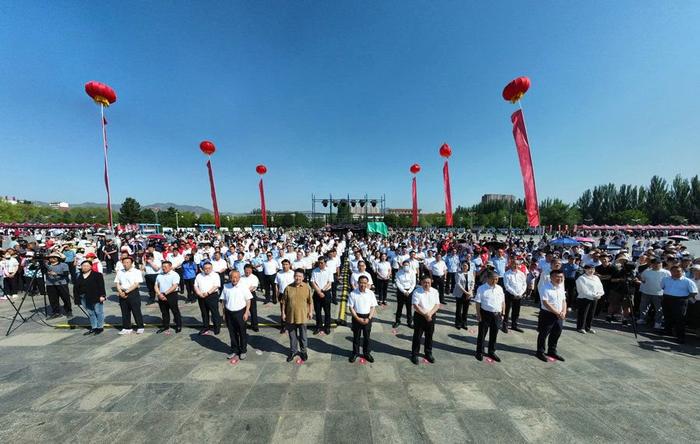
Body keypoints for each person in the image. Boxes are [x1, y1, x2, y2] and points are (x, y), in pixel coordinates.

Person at [280, 269, 313, 362]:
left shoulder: (307, 287)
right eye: (296, 276)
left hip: (302, 316)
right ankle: (293, 351)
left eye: (300, 276)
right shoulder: (288, 288)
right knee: (292, 335)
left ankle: (303, 351)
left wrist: (310, 312)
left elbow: (310, 302)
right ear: (294, 276)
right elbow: (284, 302)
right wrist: (283, 313)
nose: (297, 278)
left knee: (303, 335)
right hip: (290, 316)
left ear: (303, 277)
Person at [220, 270, 253, 360]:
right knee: (232, 333)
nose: (234, 279)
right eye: (232, 277)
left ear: (239, 278)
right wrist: (223, 313)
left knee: (242, 332)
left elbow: (248, 300)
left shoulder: (243, 287)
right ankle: (234, 350)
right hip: (229, 313)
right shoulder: (226, 286)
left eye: (236, 277)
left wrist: (246, 312)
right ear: (230, 278)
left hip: (240, 312)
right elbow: (223, 301)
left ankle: (243, 350)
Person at [660, 265, 698, 344]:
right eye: (674, 271)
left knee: (680, 319)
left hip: (680, 300)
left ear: (682, 272)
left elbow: (694, 292)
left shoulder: (688, 281)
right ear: (671, 272)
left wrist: (684, 298)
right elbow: (663, 287)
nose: (676, 273)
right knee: (667, 316)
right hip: (667, 299)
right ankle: (668, 331)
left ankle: (680, 336)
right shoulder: (665, 279)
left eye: (678, 271)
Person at [536, 269, 567, 362]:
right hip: (548, 314)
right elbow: (545, 303)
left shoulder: (561, 287)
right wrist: (557, 313)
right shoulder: (545, 287)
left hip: (559, 315)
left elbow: (563, 301)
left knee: (556, 333)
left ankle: (552, 351)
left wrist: (564, 312)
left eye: (561, 277)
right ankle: (540, 352)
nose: (560, 279)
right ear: (551, 277)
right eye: (557, 277)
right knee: (544, 333)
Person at [474, 271, 505, 362]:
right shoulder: (482, 288)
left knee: (494, 334)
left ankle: (491, 351)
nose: (495, 281)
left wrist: (503, 313)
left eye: (497, 279)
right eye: (493, 279)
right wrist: (478, 314)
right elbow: (478, 302)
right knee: (482, 334)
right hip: (485, 314)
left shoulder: (499, 288)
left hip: (497, 314)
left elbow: (503, 301)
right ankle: (480, 352)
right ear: (488, 278)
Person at [347, 275, 378, 363]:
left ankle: (366, 353)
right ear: (358, 283)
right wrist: (357, 318)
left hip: (367, 316)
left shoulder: (370, 293)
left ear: (367, 284)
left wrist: (369, 318)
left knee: (367, 337)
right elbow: (351, 308)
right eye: (361, 283)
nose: (363, 285)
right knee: (356, 336)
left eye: (365, 283)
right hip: (357, 317)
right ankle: (355, 353)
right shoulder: (353, 293)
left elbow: (373, 307)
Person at [410, 276, 440, 365]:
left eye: (428, 282)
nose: (427, 284)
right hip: (420, 316)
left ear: (431, 283)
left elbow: (437, 305)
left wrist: (430, 314)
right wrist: (425, 314)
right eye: (425, 282)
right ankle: (414, 354)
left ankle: (428, 353)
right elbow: (415, 306)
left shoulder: (435, 291)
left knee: (429, 336)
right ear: (421, 282)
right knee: (417, 336)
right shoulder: (417, 291)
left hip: (431, 316)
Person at [73, 260, 106, 335]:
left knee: (98, 312)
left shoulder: (97, 275)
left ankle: (100, 327)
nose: (85, 267)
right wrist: (77, 299)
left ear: (91, 266)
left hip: (96, 296)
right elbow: (75, 288)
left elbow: (101, 286)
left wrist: (102, 295)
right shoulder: (78, 275)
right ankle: (94, 327)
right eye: (83, 266)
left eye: (87, 266)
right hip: (84, 297)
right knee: (91, 313)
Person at [114, 256, 145, 335]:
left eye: (127, 262)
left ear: (132, 263)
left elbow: (136, 284)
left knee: (136, 310)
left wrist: (126, 292)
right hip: (122, 292)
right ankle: (127, 327)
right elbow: (117, 283)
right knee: (124, 311)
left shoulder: (136, 271)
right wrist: (120, 292)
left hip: (132, 292)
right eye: (124, 262)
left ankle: (140, 327)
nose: (125, 264)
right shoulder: (120, 272)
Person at [638, 257, 669, 330]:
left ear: (661, 264)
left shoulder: (666, 272)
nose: (656, 265)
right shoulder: (646, 271)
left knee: (659, 309)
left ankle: (658, 322)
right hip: (646, 292)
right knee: (643, 307)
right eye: (654, 263)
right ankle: (642, 319)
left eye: (658, 263)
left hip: (659, 294)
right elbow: (643, 280)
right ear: (651, 264)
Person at [194, 261, 222, 335]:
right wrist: (199, 293)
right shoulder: (199, 275)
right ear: (203, 268)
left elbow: (216, 285)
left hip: (212, 295)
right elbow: (195, 286)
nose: (207, 270)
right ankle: (206, 327)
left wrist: (208, 293)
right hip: (201, 296)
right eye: (205, 268)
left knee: (214, 312)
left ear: (212, 268)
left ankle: (217, 327)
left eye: (209, 268)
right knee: (204, 313)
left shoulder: (215, 275)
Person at [575, 264, 604, 334]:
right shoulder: (581, 278)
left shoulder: (596, 277)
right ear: (585, 269)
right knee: (583, 313)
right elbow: (584, 290)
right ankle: (580, 327)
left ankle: (588, 327)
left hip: (595, 298)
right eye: (589, 269)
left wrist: (600, 294)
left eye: (593, 269)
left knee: (591, 313)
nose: (591, 271)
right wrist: (594, 295)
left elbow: (600, 287)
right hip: (584, 298)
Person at [155, 260, 182, 333]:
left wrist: (165, 293)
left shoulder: (175, 274)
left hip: (171, 294)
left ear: (170, 267)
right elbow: (156, 286)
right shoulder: (159, 275)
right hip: (161, 295)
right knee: (164, 312)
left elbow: (175, 286)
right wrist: (159, 294)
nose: (163, 268)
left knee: (175, 311)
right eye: (163, 266)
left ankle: (178, 325)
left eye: (165, 267)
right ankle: (165, 326)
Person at [45, 252, 73, 318]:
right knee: (53, 299)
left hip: (61, 283)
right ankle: (56, 312)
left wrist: (56, 274)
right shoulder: (46, 265)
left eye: (53, 257)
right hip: (50, 284)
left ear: (58, 258)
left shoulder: (63, 265)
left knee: (65, 298)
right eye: (50, 258)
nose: (51, 259)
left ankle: (68, 311)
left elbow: (66, 274)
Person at [310, 257, 333, 335]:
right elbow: (313, 282)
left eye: (322, 263)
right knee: (318, 312)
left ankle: (327, 327)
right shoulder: (314, 271)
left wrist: (322, 290)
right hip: (317, 293)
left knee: (327, 312)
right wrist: (319, 291)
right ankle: (318, 326)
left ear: (325, 263)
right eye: (319, 263)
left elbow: (330, 282)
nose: (320, 264)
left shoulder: (329, 271)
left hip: (326, 293)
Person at [502, 259, 527, 333]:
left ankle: (514, 325)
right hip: (510, 295)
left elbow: (524, 284)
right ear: (511, 264)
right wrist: (515, 294)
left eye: (517, 264)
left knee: (516, 311)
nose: (515, 265)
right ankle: (505, 325)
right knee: (507, 311)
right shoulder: (507, 274)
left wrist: (521, 293)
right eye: (514, 264)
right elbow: (507, 286)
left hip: (519, 295)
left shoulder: (521, 274)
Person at [393, 259, 416, 329]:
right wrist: (404, 291)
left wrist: (408, 291)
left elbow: (413, 283)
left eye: (407, 265)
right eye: (405, 265)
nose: (406, 266)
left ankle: (409, 322)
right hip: (401, 292)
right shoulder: (398, 273)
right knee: (399, 307)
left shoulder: (412, 272)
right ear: (402, 266)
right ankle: (397, 321)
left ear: (409, 266)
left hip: (409, 291)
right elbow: (398, 283)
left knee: (409, 308)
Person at [453, 261, 474, 329]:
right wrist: (466, 292)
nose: (465, 266)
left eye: (466, 265)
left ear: (468, 266)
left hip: (468, 294)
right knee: (459, 309)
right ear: (461, 266)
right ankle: (458, 323)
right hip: (460, 293)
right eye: (463, 265)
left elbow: (472, 282)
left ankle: (464, 323)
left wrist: (470, 291)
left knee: (466, 309)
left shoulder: (470, 273)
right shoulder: (458, 273)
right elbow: (458, 284)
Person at [240, 264, 260, 332]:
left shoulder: (254, 277)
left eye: (249, 270)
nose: (248, 271)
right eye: (246, 270)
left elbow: (253, 287)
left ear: (251, 270)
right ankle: (243, 325)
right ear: (244, 270)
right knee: (243, 311)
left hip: (251, 295)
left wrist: (245, 291)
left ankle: (255, 326)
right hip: (242, 296)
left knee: (253, 310)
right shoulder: (241, 277)